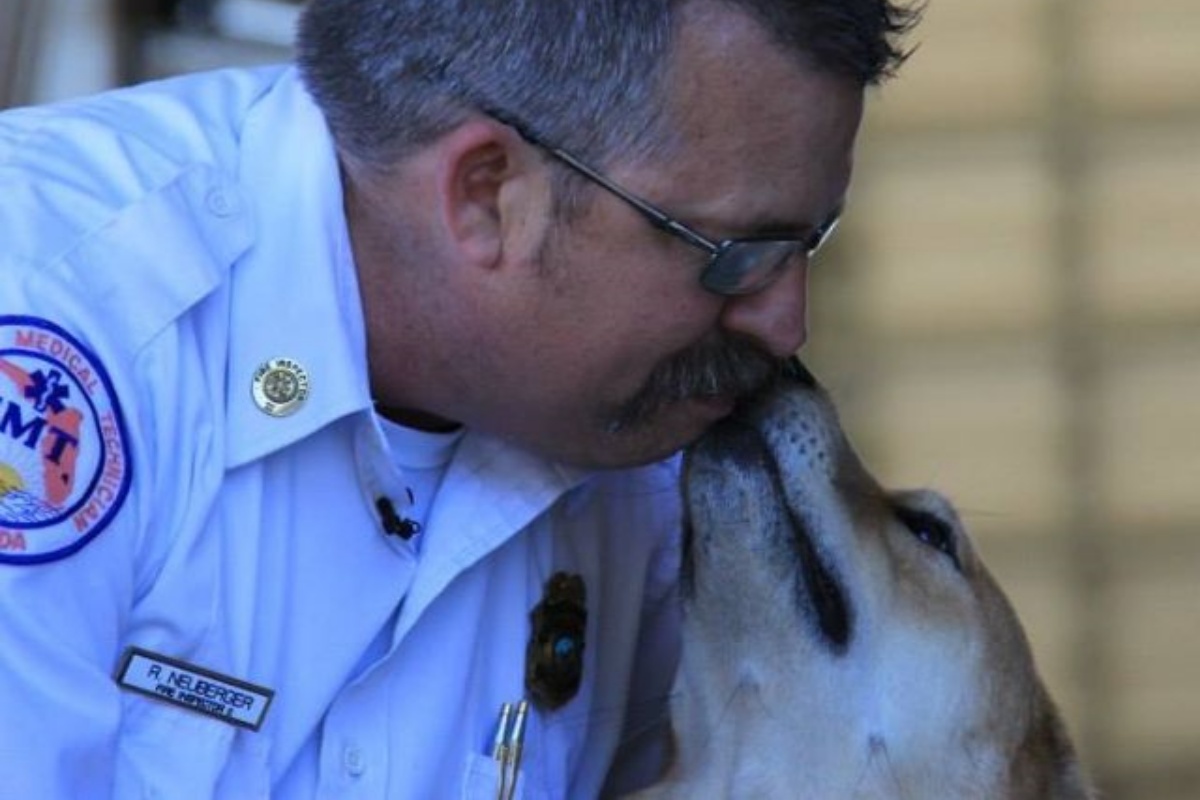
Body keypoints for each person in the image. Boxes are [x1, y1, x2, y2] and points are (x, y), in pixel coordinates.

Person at [0, 0, 917, 797]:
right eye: (738, 254)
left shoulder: (658, 439)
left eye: (811, 241)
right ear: (486, 195)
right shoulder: (57, 312)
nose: (783, 322)